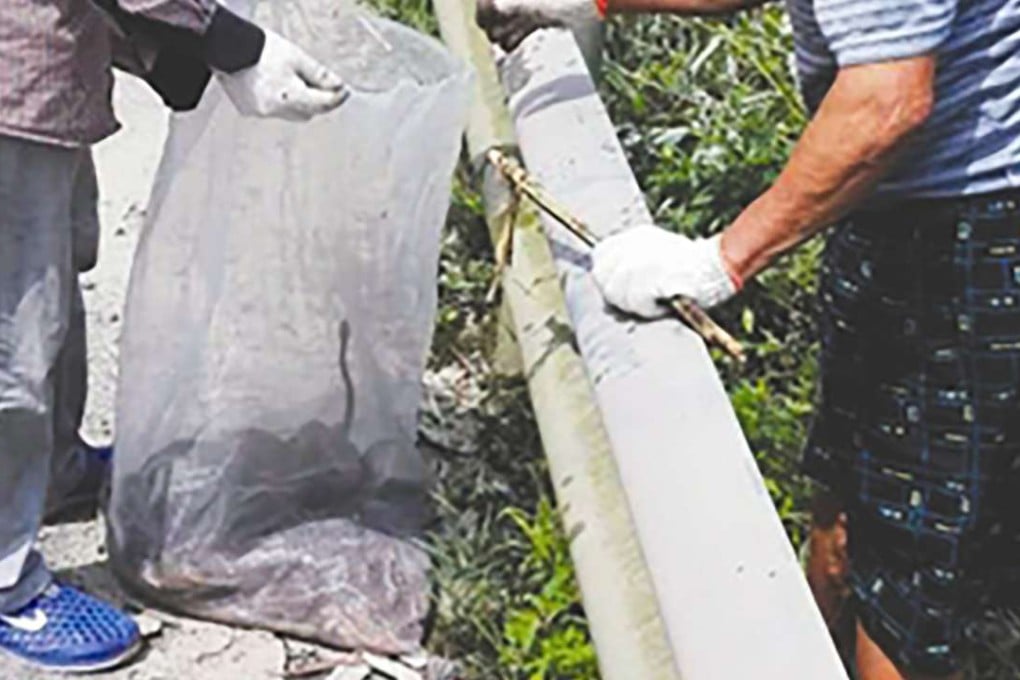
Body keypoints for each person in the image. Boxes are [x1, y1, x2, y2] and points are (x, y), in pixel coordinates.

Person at [477, 0, 1020, 678]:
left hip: (964, 232)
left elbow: (886, 103)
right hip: (898, 208)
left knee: (910, 570)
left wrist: (723, 260)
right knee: (852, 510)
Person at [0, 0, 347, 672]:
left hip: (38, 72)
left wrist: (177, 49)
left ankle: (54, 472)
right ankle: (7, 584)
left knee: (48, 284)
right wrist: (227, 39)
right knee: (12, 337)